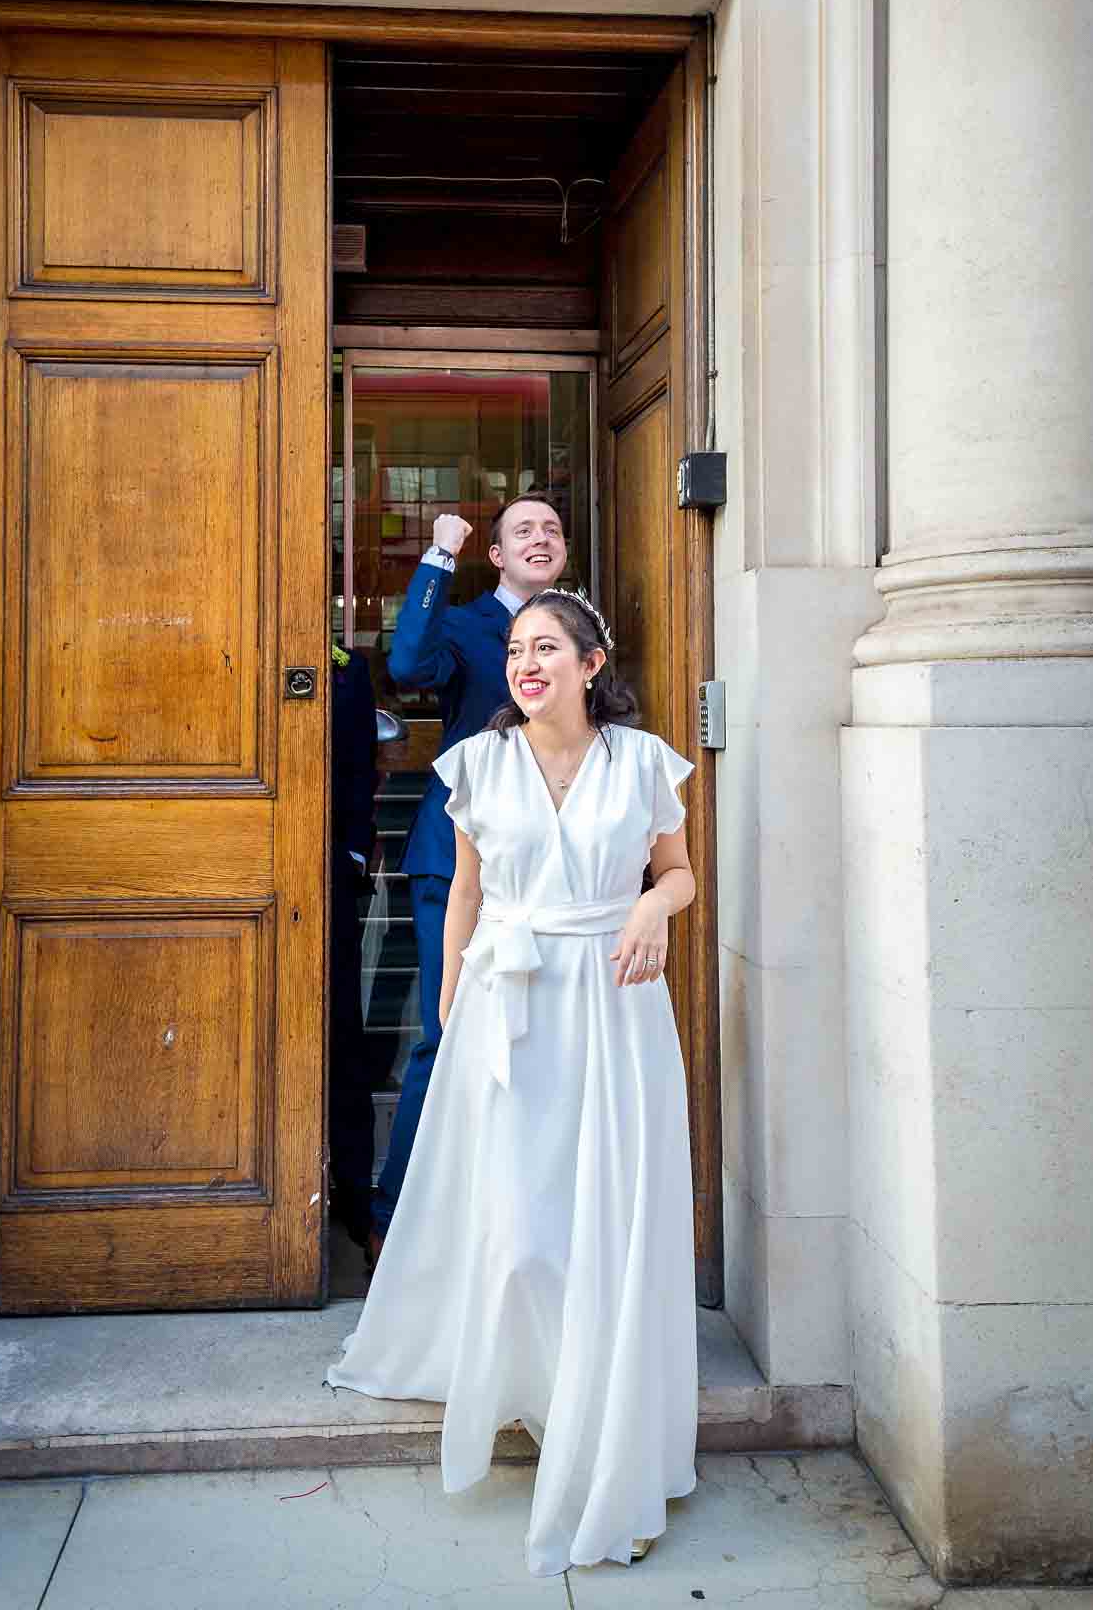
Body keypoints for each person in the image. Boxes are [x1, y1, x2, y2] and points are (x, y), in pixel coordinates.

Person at [327, 589, 699, 1576]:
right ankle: (531, 1383)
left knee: (603, 1213)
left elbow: (681, 872)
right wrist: (450, 1007)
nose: (527, 663)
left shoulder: (644, 762)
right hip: (509, 1002)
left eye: (548, 647)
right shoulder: (479, 764)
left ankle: (600, 1406)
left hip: (615, 1013)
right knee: (523, 1223)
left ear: (591, 661)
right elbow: (469, 900)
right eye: (519, 648)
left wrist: (654, 908)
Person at [370, 496, 568, 1254]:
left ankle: (518, 1215)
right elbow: (409, 665)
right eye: (523, 531)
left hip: (551, 860)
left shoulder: (578, 628)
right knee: (446, 1032)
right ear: (497, 555)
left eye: (550, 529)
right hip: (457, 854)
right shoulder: (467, 622)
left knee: (540, 1036)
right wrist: (435, 560)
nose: (539, 539)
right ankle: (399, 1219)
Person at [328, 641, 379, 1254]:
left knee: (344, 1034)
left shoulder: (347, 667)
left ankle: (355, 1196)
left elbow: (362, 767)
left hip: (331, 871)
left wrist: (357, 853)